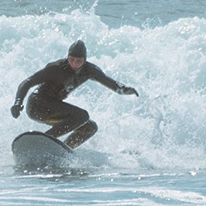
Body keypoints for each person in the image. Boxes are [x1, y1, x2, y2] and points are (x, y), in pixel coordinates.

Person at [10, 40, 138, 149]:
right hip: (37, 105)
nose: (75, 64)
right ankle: (46, 141)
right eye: (71, 60)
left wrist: (124, 89)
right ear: (68, 57)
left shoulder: (90, 70)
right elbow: (27, 82)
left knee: (90, 127)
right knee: (82, 115)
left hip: (54, 108)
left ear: (85, 59)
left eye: (79, 61)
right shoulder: (55, 68)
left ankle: (62, 151)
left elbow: (110, 82)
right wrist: (18, 102)